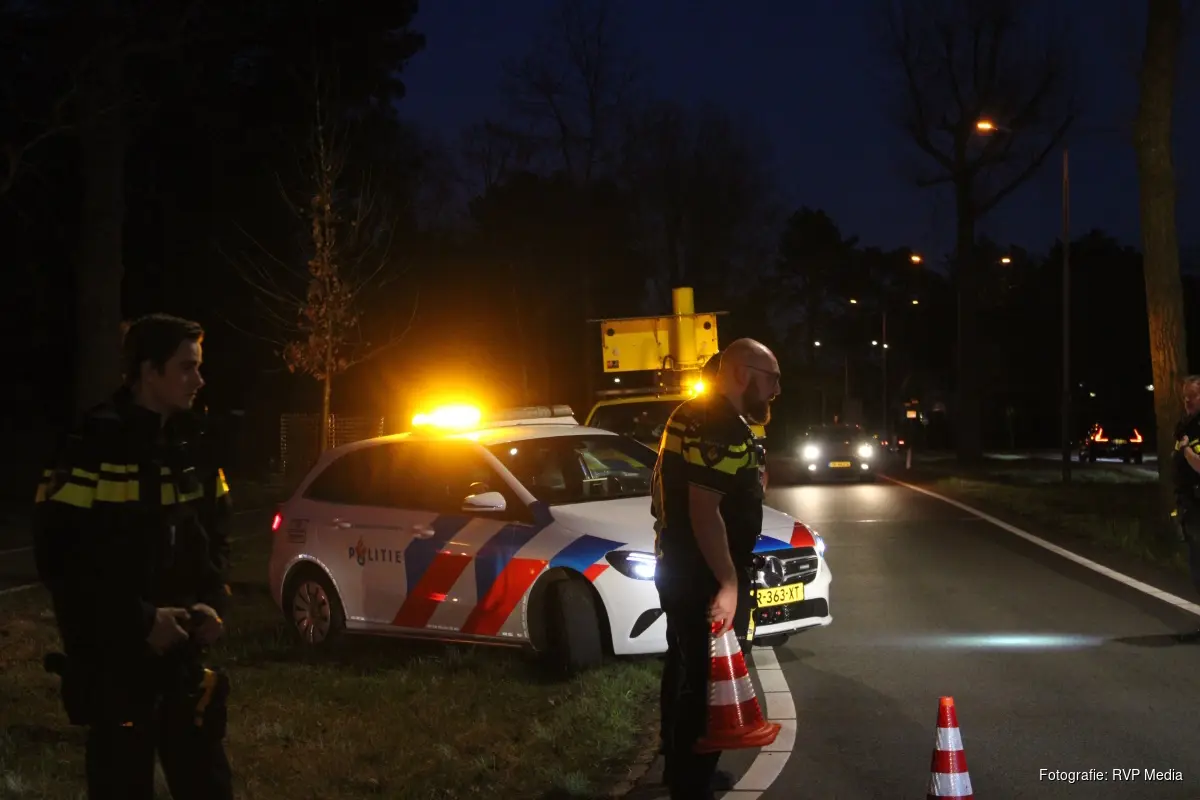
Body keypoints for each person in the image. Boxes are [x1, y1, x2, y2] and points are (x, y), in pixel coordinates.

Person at [33, 313, 235, 799]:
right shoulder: (91, 446)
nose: (199, 380)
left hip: (184, 662)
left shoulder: (195, 446)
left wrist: (213, 603)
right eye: (186, 367)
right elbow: (61, 559)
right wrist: (140, 620)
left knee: (207, 784)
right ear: (149, 371)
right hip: (115, 667)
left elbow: (216, 538)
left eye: (199, 367)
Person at [651, 338, 780, 799]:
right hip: (705, 572)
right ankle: (693, 786)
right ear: (743, 374)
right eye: (772, 379)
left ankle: (678, 766)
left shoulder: (692, 413)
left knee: (683, 667)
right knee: (707, 681)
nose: (776, 391)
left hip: (679, 564)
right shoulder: (721, 426)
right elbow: (705, 512)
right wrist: (727, 582)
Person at [1174, 375, 1200, 639]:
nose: (1188, 401)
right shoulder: (1185, 425)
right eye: (1185, 397)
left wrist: (1186, 451)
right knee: (1196, 566)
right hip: (1190, 505)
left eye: (1193, 396)